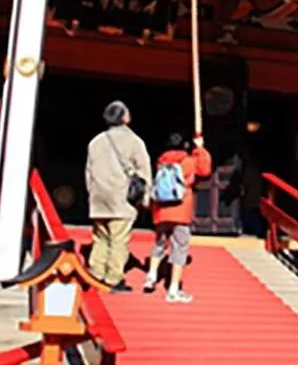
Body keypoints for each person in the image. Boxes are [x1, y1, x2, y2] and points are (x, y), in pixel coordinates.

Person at [85, 100, 149, 292]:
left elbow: (88, 172)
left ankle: (96, 272)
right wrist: (145, 197)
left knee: (100, 237)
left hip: (99, 197)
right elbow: (143, 170)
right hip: (121, 198)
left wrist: (92, 193)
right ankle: (113, 277)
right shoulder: (134, 141)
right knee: (119, 239)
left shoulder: (95, 142)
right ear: (125, 118)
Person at [143, 131, 211, 303]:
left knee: (159, 243)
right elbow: (205, 169)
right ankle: (173, 289)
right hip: (181, 209)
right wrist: (200, 148)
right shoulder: (188, 161)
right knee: (179, 249)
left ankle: (151, 276)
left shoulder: (162, 161)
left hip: (161, 209)